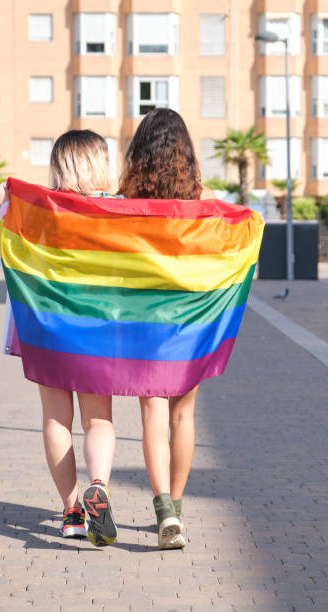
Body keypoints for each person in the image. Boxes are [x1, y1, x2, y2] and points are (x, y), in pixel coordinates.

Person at [0, 130, 119, 546]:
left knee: (55, 418)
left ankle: (71, 511)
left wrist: (3, 208)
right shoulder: (119, 211)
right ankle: (97, 484)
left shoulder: (37, 210)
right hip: (100, 327)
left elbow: (11, 257)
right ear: (100, 163)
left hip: (48, 327)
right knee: (98, 419)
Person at [118, 108, 214, 549]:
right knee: (184, 415)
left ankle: (162, 511)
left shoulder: (124, 204)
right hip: (190, 320)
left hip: (144, 321)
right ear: (184, 152)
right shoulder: (202, 200)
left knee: (152, 413)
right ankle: (175, 507)